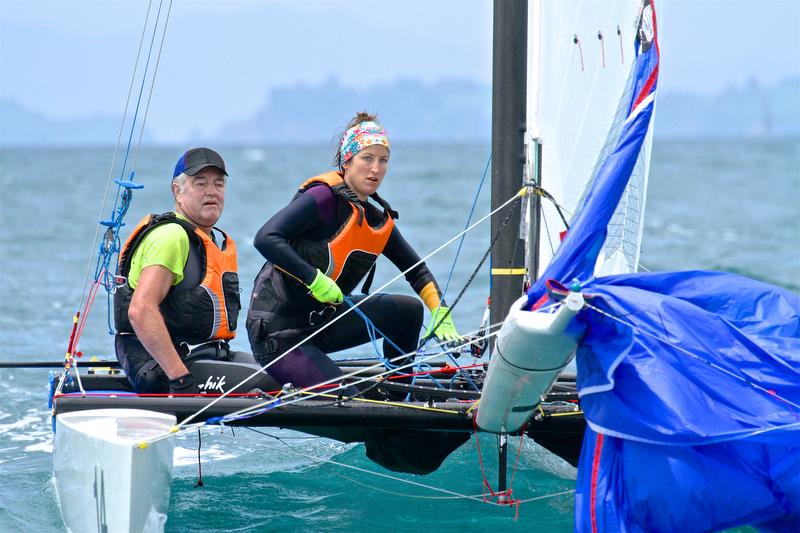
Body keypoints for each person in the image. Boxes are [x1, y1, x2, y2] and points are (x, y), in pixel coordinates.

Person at [246, 113, 462, 393]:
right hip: (278, 335)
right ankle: (380, 416)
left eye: (383, 160)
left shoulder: (375, 220)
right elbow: (266, 237)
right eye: (367, 158)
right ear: (347, 161)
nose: (376, 169)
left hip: (323, 324)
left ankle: (399, 395)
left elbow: (416, 271)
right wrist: (314, 279)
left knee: (409, 311)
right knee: (348, 399)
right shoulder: (322, 199)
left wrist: (440, 310)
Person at [114, 147, 277, 394]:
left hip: (208, 356)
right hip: (162, 368)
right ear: (177, 191)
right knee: (277, 383)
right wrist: (179, 379)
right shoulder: (171, 236)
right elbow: (140, 310)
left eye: (219, 184)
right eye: (200, 183)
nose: (211, 191)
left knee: (290, 371)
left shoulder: (208, 239)